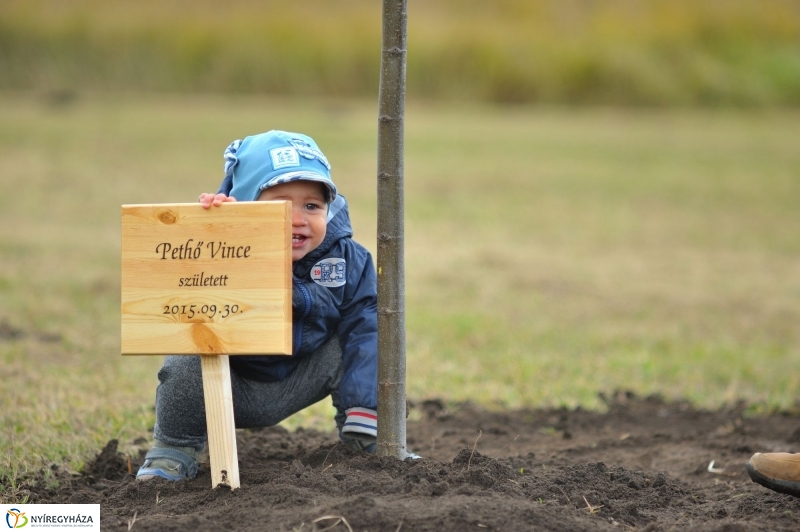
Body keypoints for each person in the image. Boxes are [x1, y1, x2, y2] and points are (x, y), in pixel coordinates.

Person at [137, 130, 381, 481]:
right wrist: (217, 230)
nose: (298, 218)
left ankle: (365, 437)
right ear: (246, 205)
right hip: (229, 379)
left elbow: (366, 325)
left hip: (301, 377)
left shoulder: (348, 259)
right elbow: (190, 287)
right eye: (280, 205)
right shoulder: (223, 246)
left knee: (368, 333)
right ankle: (174, 448)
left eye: (312, 206)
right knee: (188, 351)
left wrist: (366, 406)